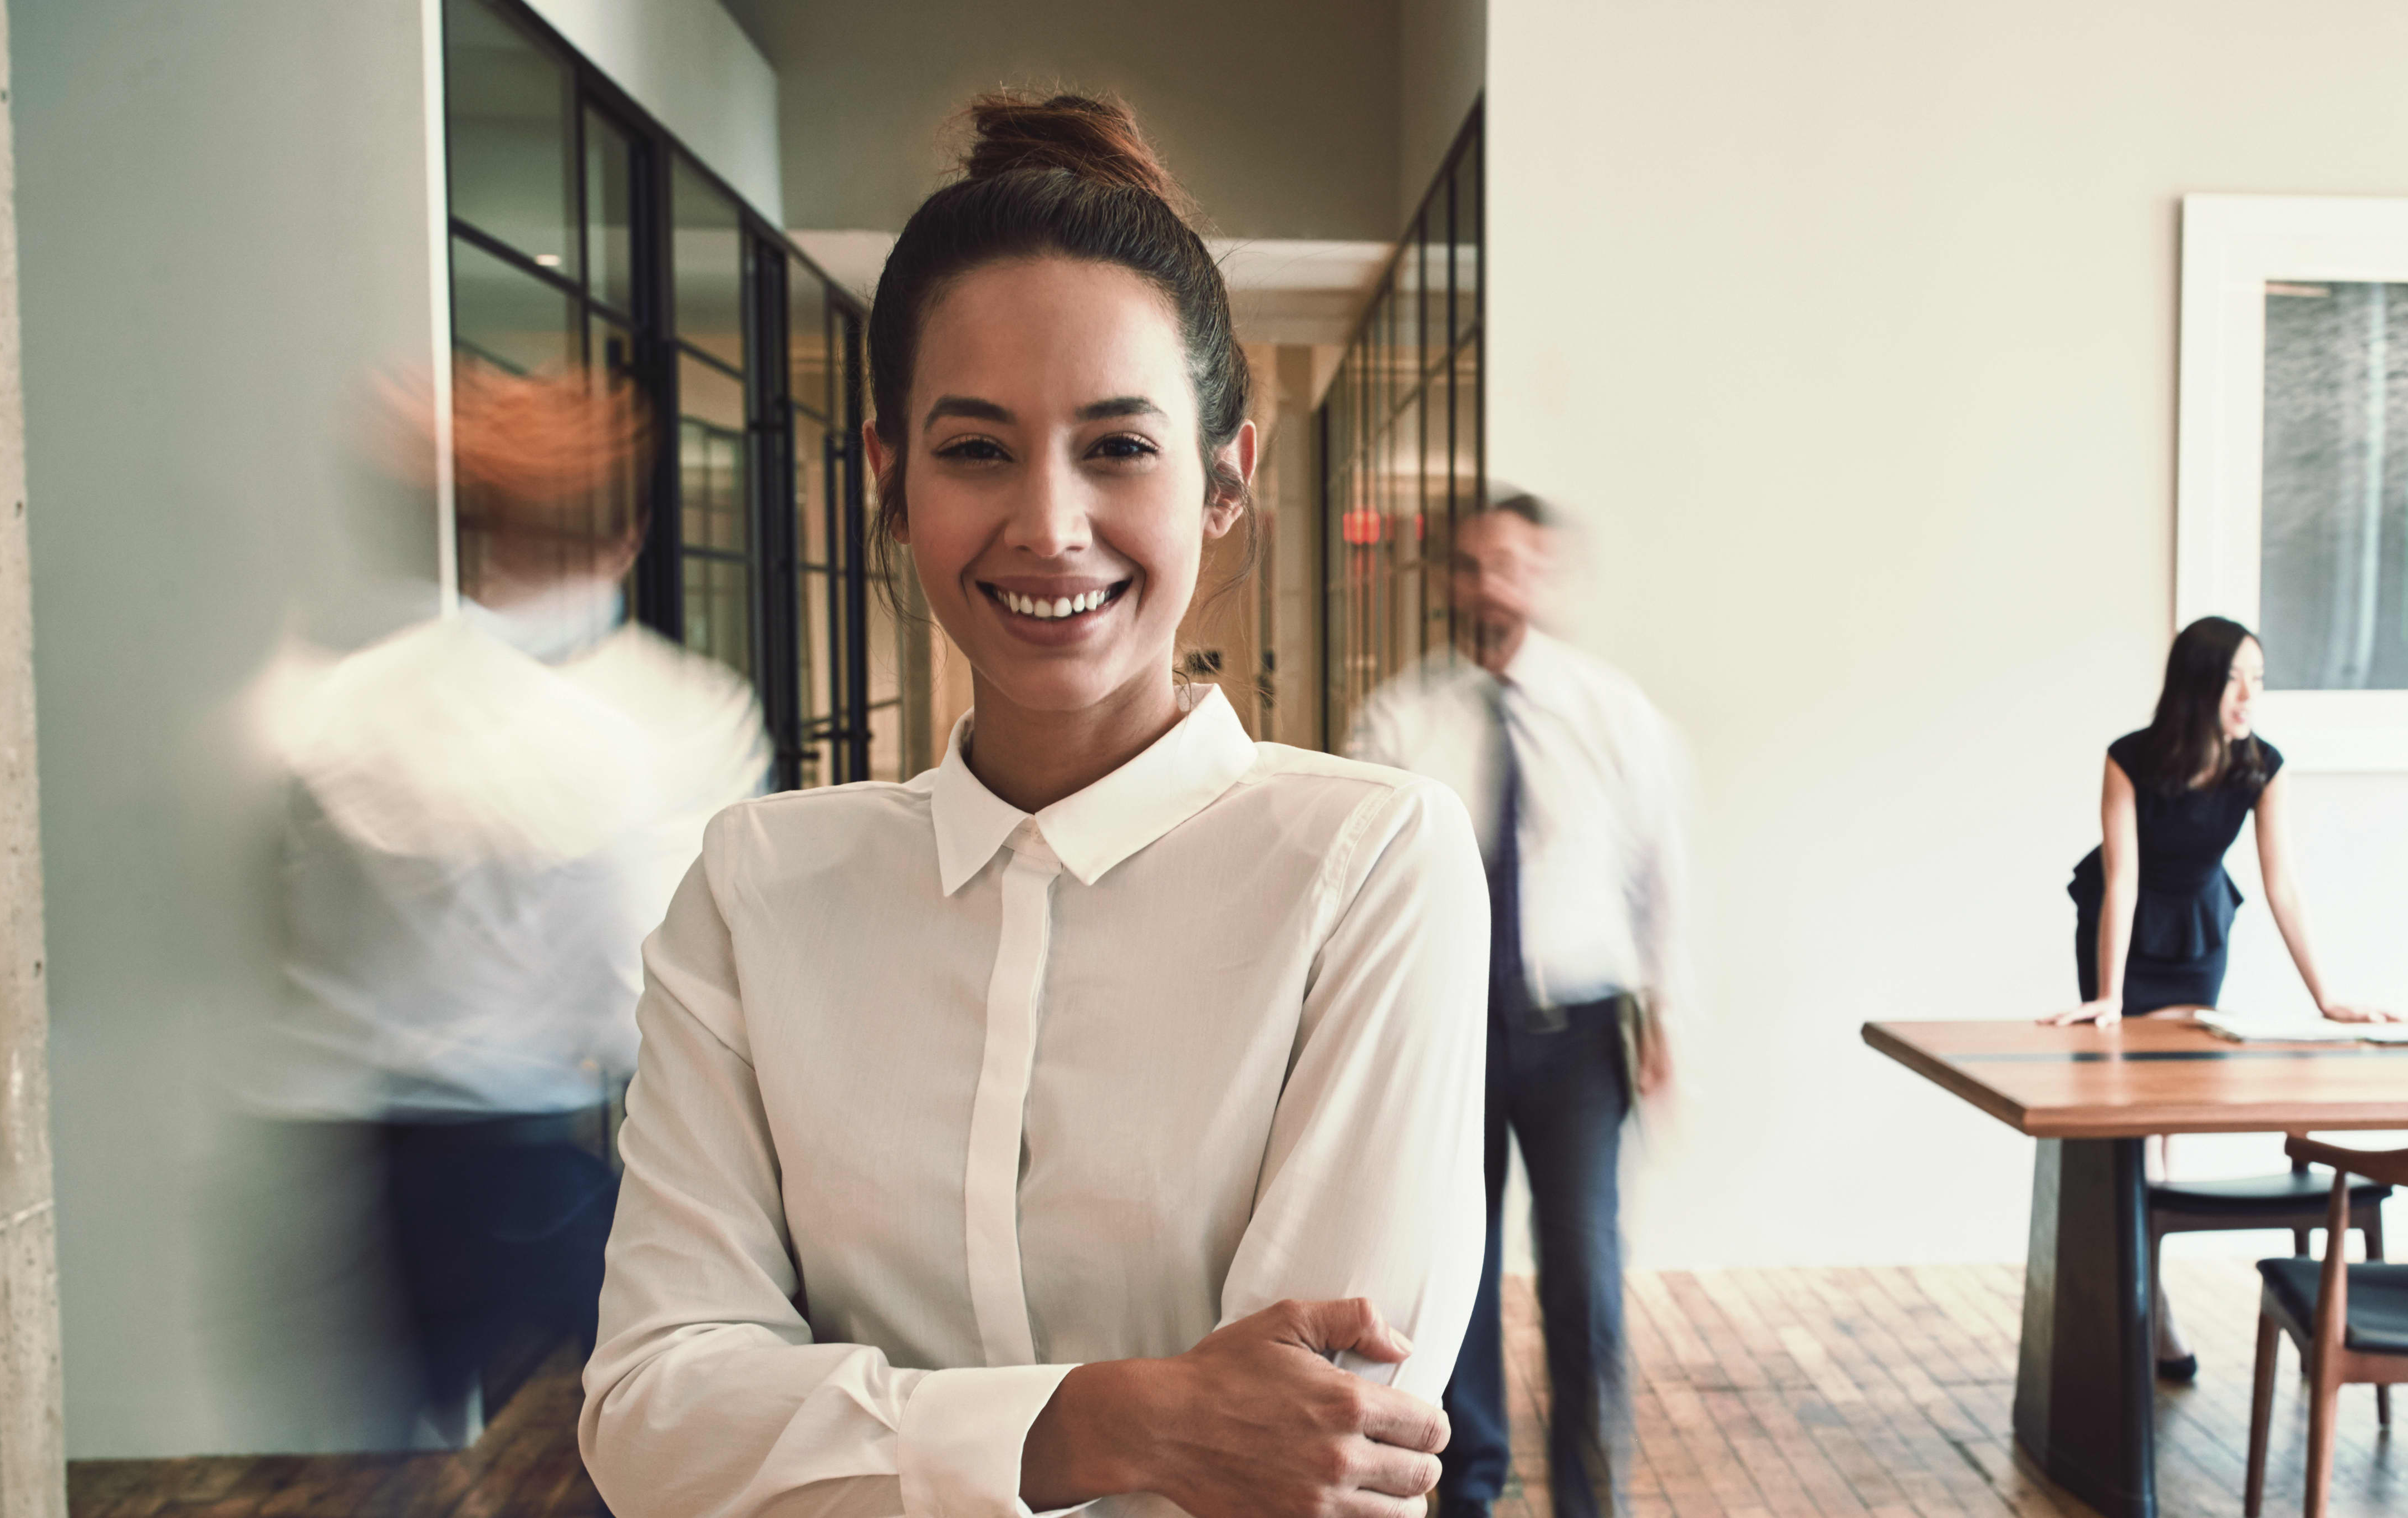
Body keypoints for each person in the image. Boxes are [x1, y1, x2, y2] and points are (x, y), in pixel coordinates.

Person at [581, 93, 1492, 1518]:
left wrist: (844, 1443)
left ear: (1225, 484)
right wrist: (1095, 1427)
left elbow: (1327, 1452)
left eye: (1119, 447)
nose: (1049, 526)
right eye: (975, 449)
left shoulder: (1369, 863)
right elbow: (650, 1416)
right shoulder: (758, 886)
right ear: (890, 479)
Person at [265, 364, 767, 1441]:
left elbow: (291, 926)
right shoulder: (669, 722)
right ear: (629, 532)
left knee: (385, 1448)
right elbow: (657, 981)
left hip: (367, 1150)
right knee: (676, 1432)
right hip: (545, 1142)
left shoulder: (334, 705)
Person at [1343, 493, 1689, 1518]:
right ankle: (1469, 1492)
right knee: (1457, 1275)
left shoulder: (1610, 712)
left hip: (1578, 1033)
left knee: (1584, 1274)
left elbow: (1656, 875)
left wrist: (1665, 1016)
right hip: (1449, 1037)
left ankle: (1590, 1500)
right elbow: (1369, 888)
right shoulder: (1399, 718)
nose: (1491, 582)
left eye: (1512, 563)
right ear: (1448, 580)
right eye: (1471, 563)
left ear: (1545, 579)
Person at [2046, 616, 2383, 1029]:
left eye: (2257, 678)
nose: (2248, 695)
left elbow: (2282, 885)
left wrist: (2327, 999)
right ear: (2194, 683)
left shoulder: (2265, 767)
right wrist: (2109, 996)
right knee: (2118, 1056)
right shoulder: (2128, 759)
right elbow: (2122, 879)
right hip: (2123, 934)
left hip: (2199, 929)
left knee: (2192, 1064)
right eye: (2231, 678)